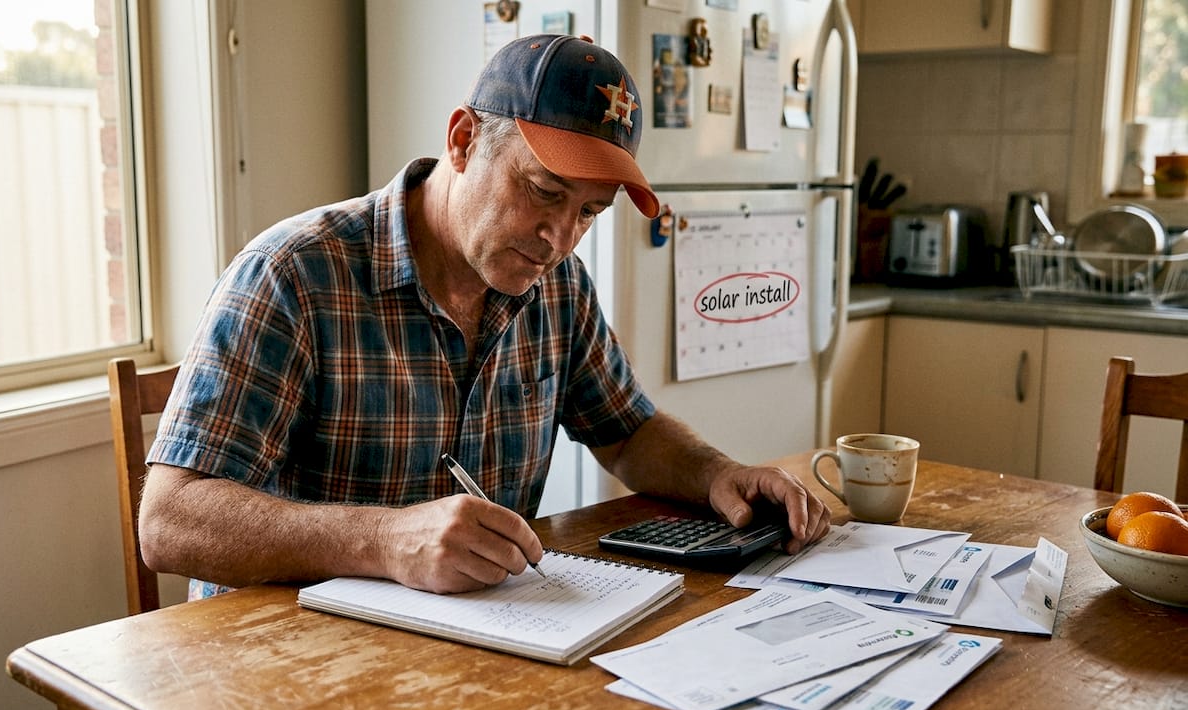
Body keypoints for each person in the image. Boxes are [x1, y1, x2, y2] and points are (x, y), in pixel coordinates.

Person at [140, 34, 831, 599]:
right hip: (282, 657)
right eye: (543, 191)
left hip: (483, 647)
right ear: (465, 139)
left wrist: (717, 473)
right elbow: (169, 521)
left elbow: (628, 433)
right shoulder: (293, 274)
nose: (559, 238)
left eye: (589, 212)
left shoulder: (558, 287)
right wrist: (383, 542)